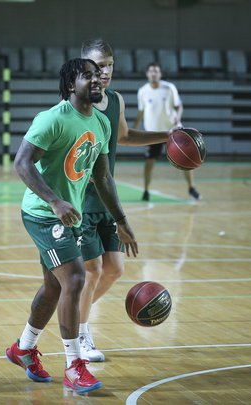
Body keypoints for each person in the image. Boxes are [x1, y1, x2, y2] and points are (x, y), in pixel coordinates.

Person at [5, 58, 138, 395]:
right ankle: (74, 365)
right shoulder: (53, 119)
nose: (96, 80)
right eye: (87, 76)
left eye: (98, 75)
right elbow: (21, 163)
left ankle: (23, 348)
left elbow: (103, 177)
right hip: (43, 214)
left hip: (70, 215)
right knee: (76, 278)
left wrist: (121, 221)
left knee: (53, 287)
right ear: (69, 85)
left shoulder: (101, 124)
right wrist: (54, 200)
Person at [77, 39, 179, 362]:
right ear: (84, 68)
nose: (104, 72)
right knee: (91, 271)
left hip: (108, 201)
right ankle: (80, 333)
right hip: (81, 203)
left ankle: (74, 314)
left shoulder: (116, 101)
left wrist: (167, 135)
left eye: (108, 65)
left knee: (115, 269)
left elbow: (124, 136)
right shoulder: (79, 103)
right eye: (97, 66)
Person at [134, 62, 201, 202]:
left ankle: (191, 188)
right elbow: (141, 111)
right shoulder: (142, 91)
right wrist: (134, 127)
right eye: (151, 71)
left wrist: (178, 116)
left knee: (186, 161)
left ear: (160, 74)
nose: (153, 74)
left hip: (174, 132)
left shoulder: (169, 88)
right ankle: (146, 191)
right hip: (153, 134)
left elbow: (179, 106)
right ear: (147, 74)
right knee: (149, 163)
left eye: (156, 71)